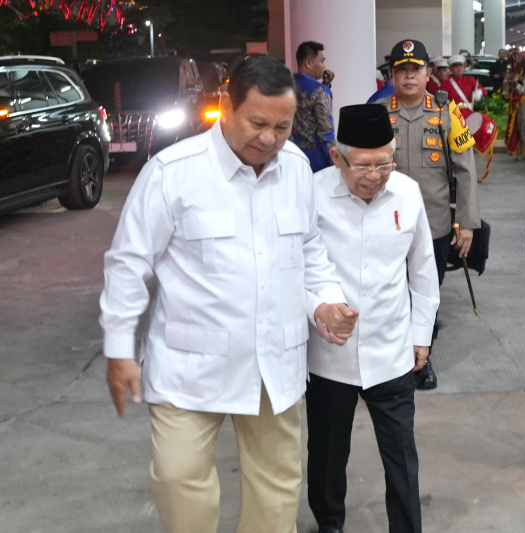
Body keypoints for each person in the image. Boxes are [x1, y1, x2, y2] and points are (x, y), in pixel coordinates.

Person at [99, 56, 358, 533]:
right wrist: (119, 349)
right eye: (257, 123)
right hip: (190, 366)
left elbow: (309, 250)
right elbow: (127, 265)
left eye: (282, 126)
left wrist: (324, 300)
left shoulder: (296, 167)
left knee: (277, 487)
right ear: (226, 105)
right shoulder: (174, 172)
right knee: (179, 478)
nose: (269, 138)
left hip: (272, 364)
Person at [305, 103, 440, 533]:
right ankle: (330, 524)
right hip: (330, 353)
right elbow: (299, 267)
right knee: (327, 454)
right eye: (362, 164)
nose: (374, 174)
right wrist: (318, 309)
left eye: (385, 162)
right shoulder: (313, 193)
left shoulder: (406, 192)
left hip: (391, 347)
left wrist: (422, 336)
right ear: (337, 157)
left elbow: (423, 271)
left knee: (401, 456)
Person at [377, 39, 481, 390]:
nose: (409, 76)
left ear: (426, 74)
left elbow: (466, 170)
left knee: (426, 292)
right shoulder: (378, 112)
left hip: (433, 224)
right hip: (385, 224)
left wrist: (466, 222)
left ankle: (422, 360)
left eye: (415, 70)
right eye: (401, 70)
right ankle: (391, 358)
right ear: (392, 75)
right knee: (388, 292)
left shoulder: (446, 113)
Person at [293, 41, 336, 172]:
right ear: (308, 63)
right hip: (316, 161)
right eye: (321, 61)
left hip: (293, 157)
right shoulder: (320, 91)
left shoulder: (286, 86)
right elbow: (326, 133)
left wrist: (325, 84)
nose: (324, 66)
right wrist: (334, 162)